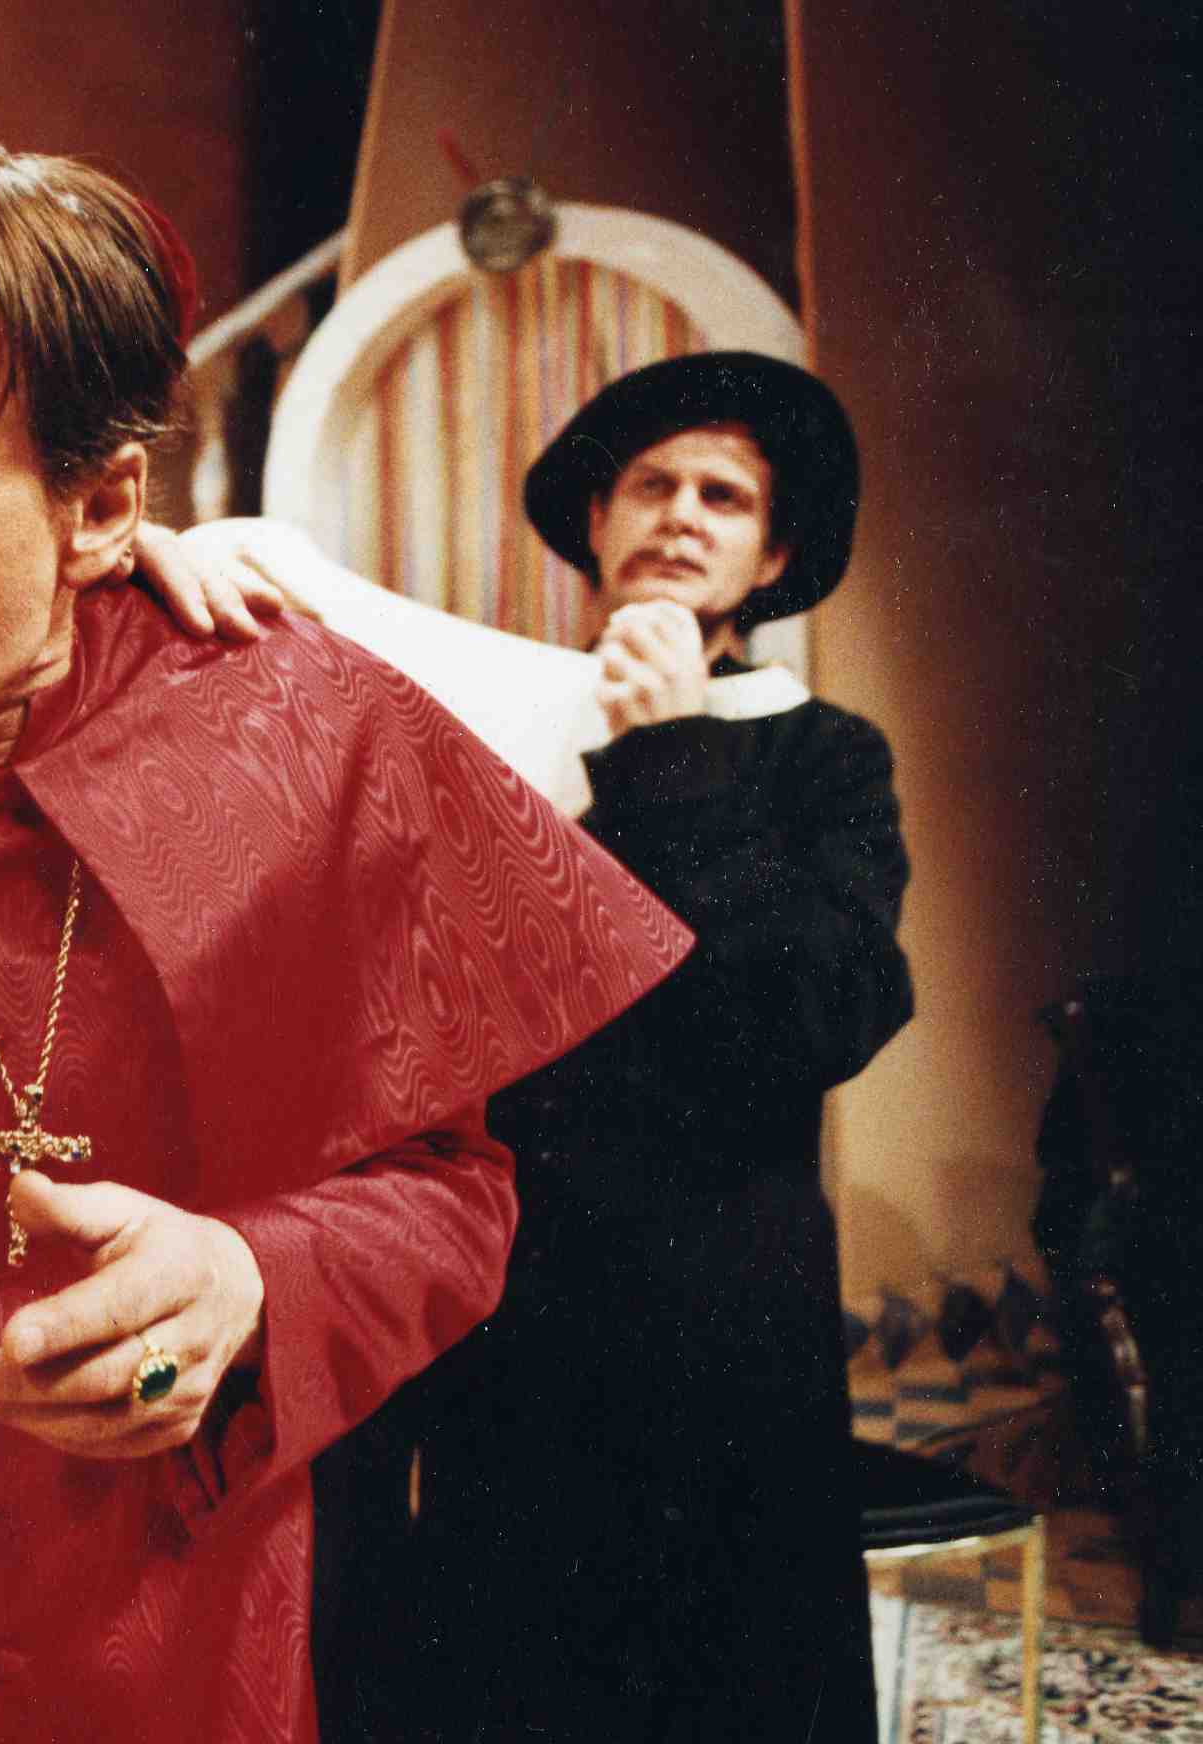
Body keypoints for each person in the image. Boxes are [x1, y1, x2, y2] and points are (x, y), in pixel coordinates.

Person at [0, 70, 693, 1743]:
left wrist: (255, 1281)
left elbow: (448, 1190)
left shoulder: (298, 730)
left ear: (99, 506)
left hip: (171, 1670)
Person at [377, 353, 916, 1742]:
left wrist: (671, 756)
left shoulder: (822, 756)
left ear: (772, 556)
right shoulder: (497, 731)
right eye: (650, 485)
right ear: (596, 522)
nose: (680, 514)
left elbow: (818, 1016)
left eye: (722, 496)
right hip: (519, 1288)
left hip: (721, 1302)